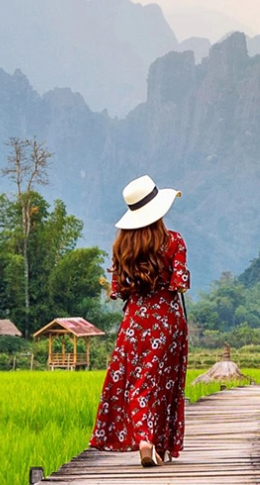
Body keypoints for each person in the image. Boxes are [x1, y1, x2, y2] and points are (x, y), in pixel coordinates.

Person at [89, 175, 191, 467]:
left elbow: (118, 290)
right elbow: (180, 283)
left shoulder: (122, 247)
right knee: (164, 382)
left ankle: (147, 442)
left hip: (135, 322)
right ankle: (153, 442)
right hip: (168, 320)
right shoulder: (174, 241)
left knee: (138, 382)